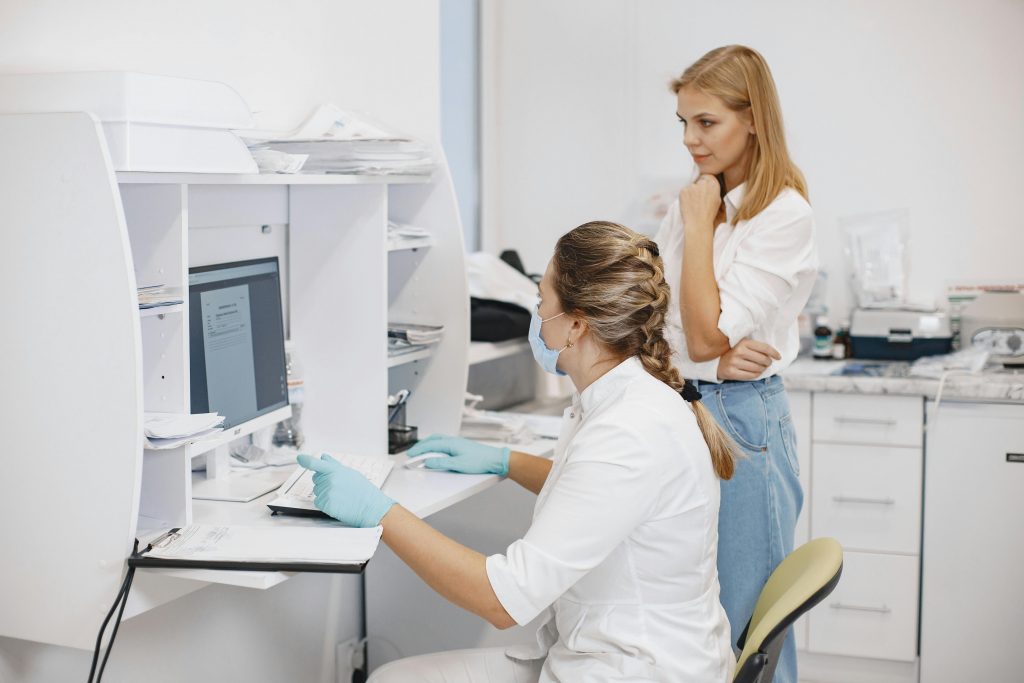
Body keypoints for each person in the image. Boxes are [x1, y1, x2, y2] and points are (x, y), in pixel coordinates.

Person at [299, 221, 737, 682]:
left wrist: (378, 511)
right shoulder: (628, 399)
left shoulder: (628, 431)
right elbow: (592, 496)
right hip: (610, 648)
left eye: (542, 300)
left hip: (636, 668)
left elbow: (501, 599)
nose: (536, 311)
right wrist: (504, 462)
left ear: (576, 325)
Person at [653, 45, 818, 683]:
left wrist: (700, 227)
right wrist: (714, 364)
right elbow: (655, 325)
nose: (691, 140)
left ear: (753, 119)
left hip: (744, 423)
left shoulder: (782, 215)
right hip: (692, 402)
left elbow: (698, 331)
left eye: (706, 122)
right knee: (697, 612)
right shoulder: (696, 200)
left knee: (751, 622)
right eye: (683, 123)